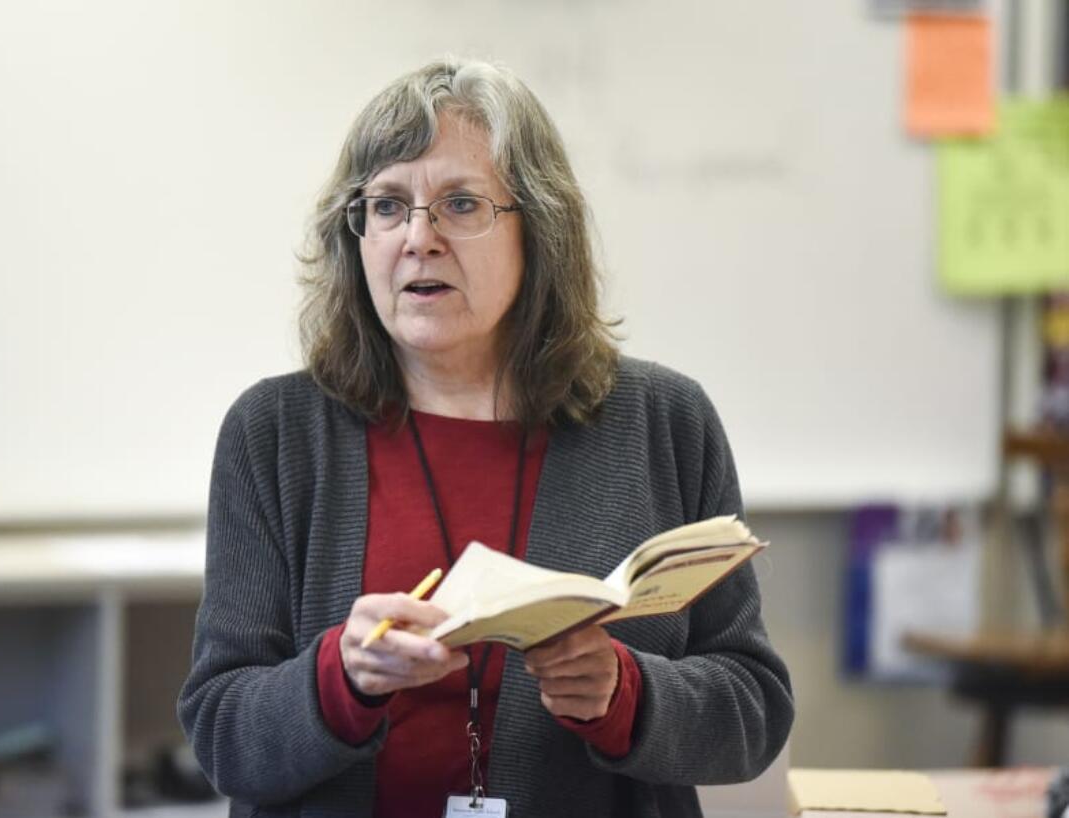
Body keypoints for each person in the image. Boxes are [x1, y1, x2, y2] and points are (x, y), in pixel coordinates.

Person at [178, 57, 793, 818]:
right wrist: (340, 677)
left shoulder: (663, 422)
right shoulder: (273, 434)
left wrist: (624, 695)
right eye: (388, 206)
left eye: (460, 204)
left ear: (539, 229)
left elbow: (754, 710)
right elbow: (220, 734)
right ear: (357, 236)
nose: (418, 238)